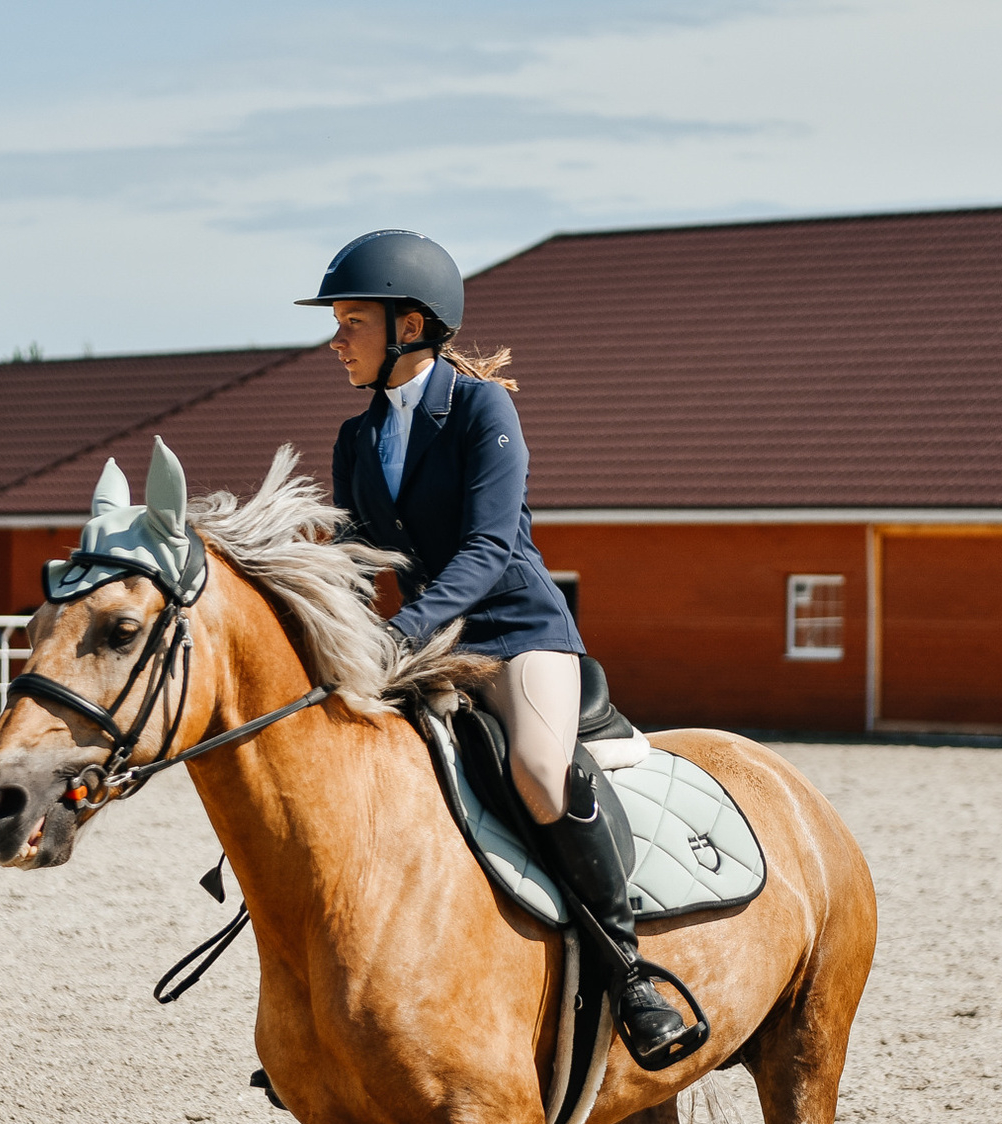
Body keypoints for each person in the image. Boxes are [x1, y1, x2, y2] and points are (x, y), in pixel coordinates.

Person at [300, 230, 705, 1070]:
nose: (335, 338)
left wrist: (402, 634)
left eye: (350, 320)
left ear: (409, 326)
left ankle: (631, 973)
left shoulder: (483, 409)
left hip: (520, 634)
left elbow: (488, 551)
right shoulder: (355, 438)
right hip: (428, 646)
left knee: (534, 770)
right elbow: (353, 563)